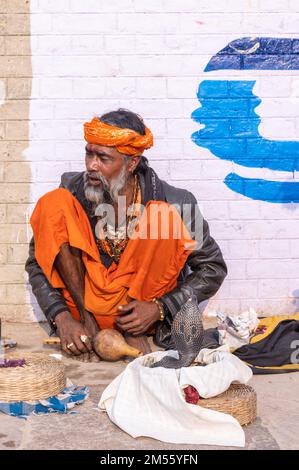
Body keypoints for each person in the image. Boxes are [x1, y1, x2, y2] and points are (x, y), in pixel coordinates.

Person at [25, 109, 227, 361]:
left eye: (103, 158)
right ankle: (87, 321)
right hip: (83, 308)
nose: (91, 165)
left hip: (141, 313)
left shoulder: (178, 202)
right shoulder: (72, 191)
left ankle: (132, 330)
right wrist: (62, 317)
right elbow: (38, 261)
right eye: (89, 153)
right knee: (52, 203)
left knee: (162, 217)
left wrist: (160, 309)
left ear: (131, 163)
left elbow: (212, 268)